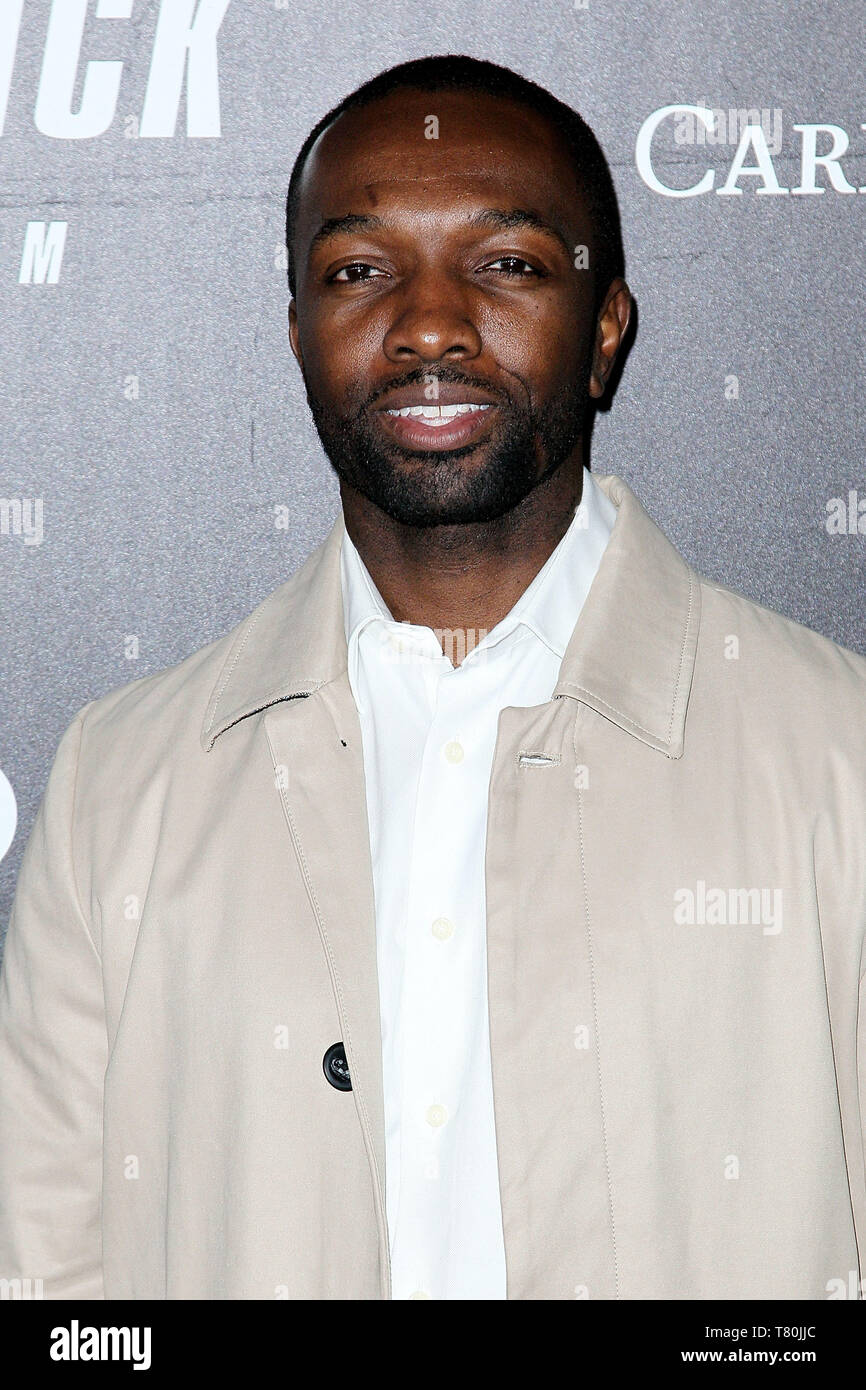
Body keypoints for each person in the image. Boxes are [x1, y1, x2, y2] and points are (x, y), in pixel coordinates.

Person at [0, 54, 864, 1302]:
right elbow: (48, 1288)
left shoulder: (835, 756)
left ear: (604, 328)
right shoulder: (118, 782)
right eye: (358, 272)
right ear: (296, 333)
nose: (425, 326)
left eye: (505, 263)